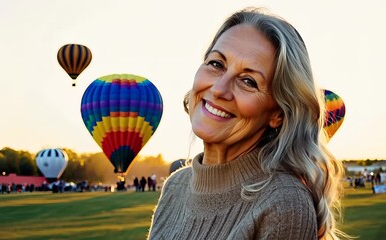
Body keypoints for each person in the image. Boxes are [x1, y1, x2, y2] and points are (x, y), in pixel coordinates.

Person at [148, 7, 347, 240]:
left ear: (278, 114)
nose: (219, 89)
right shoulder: (175, 186)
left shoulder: (283, 205)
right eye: (216, 64)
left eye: (248, 81)